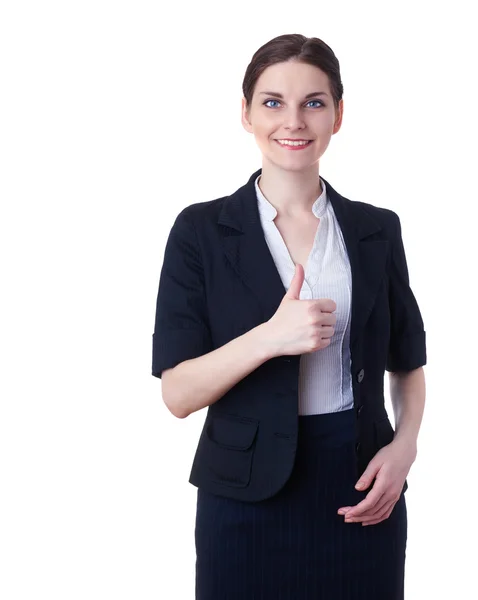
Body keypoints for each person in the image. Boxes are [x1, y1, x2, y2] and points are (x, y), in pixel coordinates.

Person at [151, 33, 427, 600]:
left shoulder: (378, 229)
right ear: (246, 113)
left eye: (314, 102)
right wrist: (270, 338)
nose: (294, 121)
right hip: (245, 496)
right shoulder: (199, 232)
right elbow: (177, 394)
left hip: (361, 487)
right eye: (273, 102)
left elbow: (409, 363)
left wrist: (404, 449)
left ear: (339, 114)